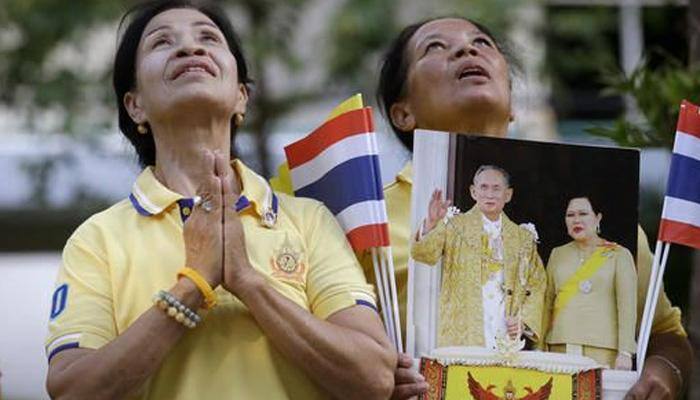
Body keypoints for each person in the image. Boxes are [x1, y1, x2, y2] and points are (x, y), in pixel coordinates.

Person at [44, 1, 395, 399]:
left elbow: (374, 378)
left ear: (241, 97)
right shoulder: (98, 238)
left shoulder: (309, 219)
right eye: (162, 42)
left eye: (208, 38)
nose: (189, 48)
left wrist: (248, 282)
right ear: (134, 104)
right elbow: (72, 389)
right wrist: (194, 285)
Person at [374, 16, 692, 400]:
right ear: (402, 113)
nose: (466, 49)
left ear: (511, 103)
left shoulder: (578, 234)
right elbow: (343, 352)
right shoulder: (369, 220)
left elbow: (667, 336)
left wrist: (665, 371)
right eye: (435, 48)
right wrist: (375, 379)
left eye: (482, 42)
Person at [410, 166, 546, 349]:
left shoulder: (523, 238)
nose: (489, 194)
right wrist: (431, 224)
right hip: (464, 328)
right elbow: (424, 254)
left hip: (505, 331)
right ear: (473, 192)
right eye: (483, 187)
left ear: (508, 195)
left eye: (496, 188)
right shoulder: (455, 226)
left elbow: (537, 284)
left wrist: (523, 321)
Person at [545, 196, 637, 369]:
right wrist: (539, 346)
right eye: (570, 215)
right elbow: (546, 304)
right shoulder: (557, 254)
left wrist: (625, 352)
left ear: (598, 218)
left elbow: (627, 308)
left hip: (602, 350)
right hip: (559, 347)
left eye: (583, 213)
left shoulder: (619, 255)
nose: (576, 220)